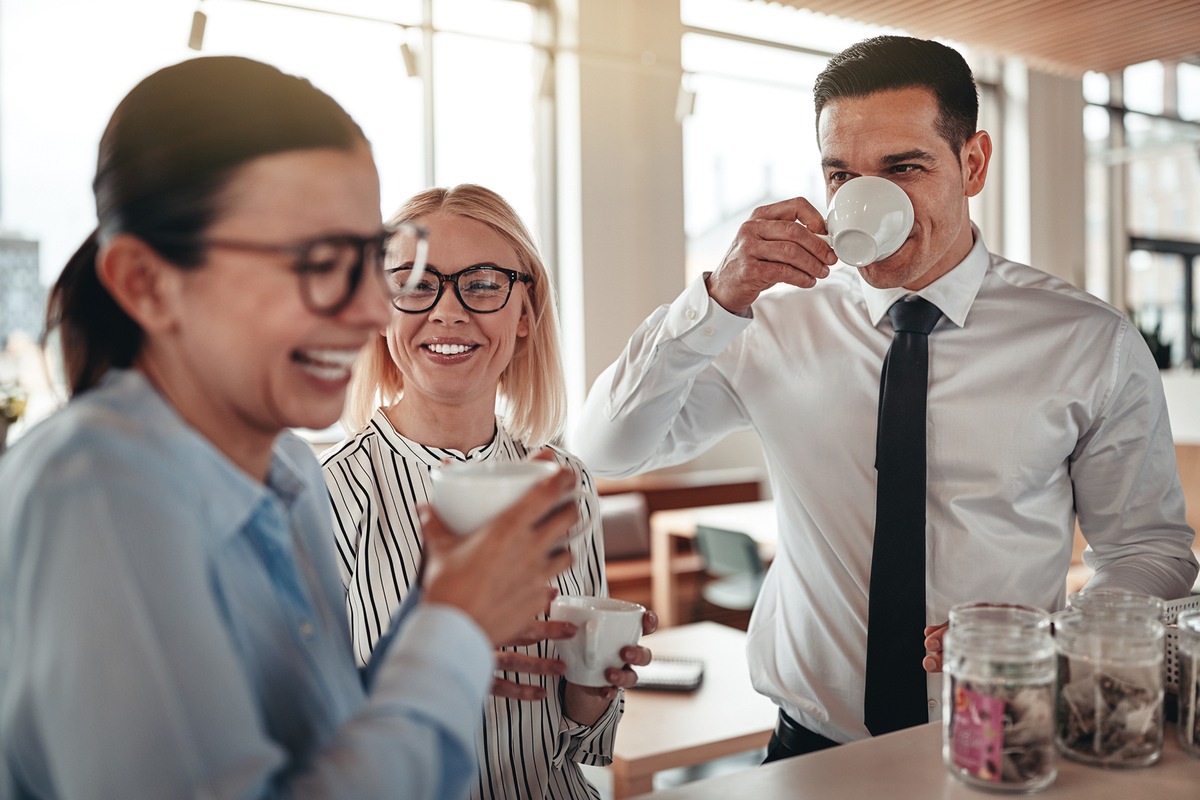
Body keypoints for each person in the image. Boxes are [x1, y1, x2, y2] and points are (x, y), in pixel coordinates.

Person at [572, 35, 1197, 758]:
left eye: (904, 168)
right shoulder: (769, 319)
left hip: (1003, 733)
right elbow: (604, 446)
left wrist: (1051, 642)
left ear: (973, 164)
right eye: (842, 175)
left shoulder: (1088, 340)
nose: (869, 200)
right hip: (807, 750)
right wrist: (713, 301)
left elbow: (1148, 550)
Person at [0, 57, 579, 800]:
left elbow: (326, 747)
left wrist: (431, 611)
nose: (375, 312)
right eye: (318, 262)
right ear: (147, 283)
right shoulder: (93, 495)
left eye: (370, 259)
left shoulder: (290, 471)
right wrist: (455, 629)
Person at [321, 184, 655, 800]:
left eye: (481, 284)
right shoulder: (326, 496)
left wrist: (592, 687)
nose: (448, 313)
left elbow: (585, 744)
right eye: (417, 285)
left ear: (524, 314)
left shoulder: (567, 481)